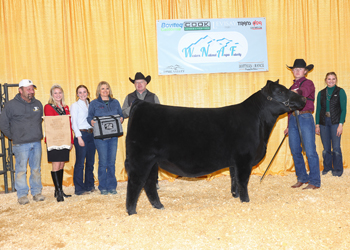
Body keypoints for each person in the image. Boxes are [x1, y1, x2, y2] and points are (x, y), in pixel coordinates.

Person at [0, 79, 45, 205]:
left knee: (36, 168)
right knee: (21, 170)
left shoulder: (38, 104)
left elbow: (40, 120)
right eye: (28, 89)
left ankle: (36, 192)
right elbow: (3, 123)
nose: (31, 91)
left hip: (36, 142)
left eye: (32, 89)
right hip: (20, 144)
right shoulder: (11, 105)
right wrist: (13, 136)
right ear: (20, 90)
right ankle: (22, 195)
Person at [284, 59, 320, 190]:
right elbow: (289, 109)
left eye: (299, 69)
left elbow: (303, 92)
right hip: (293, 118)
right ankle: (302, 178)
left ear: (305, 71)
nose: (296, 71)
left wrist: (290, 93)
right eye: (294, 69)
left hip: (305, 116)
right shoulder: (291, 87)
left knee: (310, 150)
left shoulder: (308, 83)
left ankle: (315, 181)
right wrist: (288, 125)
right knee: (295, 150)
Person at [122, 72, 161, 189]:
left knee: (153, 157)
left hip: (150, 132)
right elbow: (123, 113)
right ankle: (136, 182)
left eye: (141, 82)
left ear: (146, 83)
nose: (139, 84)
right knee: (135, 157)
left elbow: (160, 113)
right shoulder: (129, 97)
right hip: (135, 132)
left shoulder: (153, 96)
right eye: (136, 82)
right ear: (134, 84)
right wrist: (135, 107)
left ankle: (154, 181)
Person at [87, 81, 124, 195]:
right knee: (103, 162)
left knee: (111, 162)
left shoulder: (115, 102)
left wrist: (121, 118)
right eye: (102, 89)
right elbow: (89, 117)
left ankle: (112, 186)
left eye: (107, 88)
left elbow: (121, 115)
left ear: (109, 90)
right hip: (100, 137)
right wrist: (91, 122)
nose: (105, 91)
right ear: (99, 91)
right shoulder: (94, 103)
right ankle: (102, 186)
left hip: (113, 136)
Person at [44, 84, 73, 202]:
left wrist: (70, 140)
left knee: (61, 164)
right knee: (56, 165)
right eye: (55, 93)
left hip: (64, 139)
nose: (58, 95)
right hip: (54, 140)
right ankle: (59, 191)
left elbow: (68, 125)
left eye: (59, 93)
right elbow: (53, 123)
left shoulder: (66, 107)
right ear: (52, 95)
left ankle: (59, 190)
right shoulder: (48, 106)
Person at [315, 72, 347, 177]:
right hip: (324, 122)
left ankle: (337, 170)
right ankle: (327, 168)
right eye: (329, 79)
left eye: (333, 79)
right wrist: (317, 124)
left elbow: (343, 109)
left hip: (335, 123)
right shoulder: (321, 93)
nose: (331, 81)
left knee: (336, 147)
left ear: (336, 80)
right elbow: (318, 110)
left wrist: (340, 124)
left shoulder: (341, 91)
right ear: (325, 80)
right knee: (326, 148)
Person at [71, 85, 96, 195]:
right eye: (80, 92)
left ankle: (89, 185)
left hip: (91, 134)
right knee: (80, 163)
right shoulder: (75, 106)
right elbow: (73, 123)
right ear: (77, 94)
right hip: (82, 134)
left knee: (90, 162)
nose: (82, 94)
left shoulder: (90, 105)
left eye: (84, 92)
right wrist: (79, 137)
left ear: (87, 93)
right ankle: (79, 188)